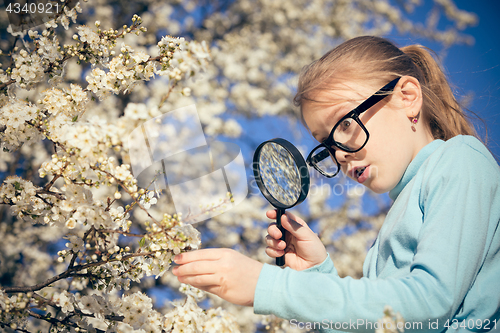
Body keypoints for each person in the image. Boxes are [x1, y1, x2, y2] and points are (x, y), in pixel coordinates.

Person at [172, 36, 500, 332]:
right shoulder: (399, 210)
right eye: (327, 144)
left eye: (345, 123)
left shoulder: (459, 159)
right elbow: (388, 322)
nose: (338, 154)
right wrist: (318, 275)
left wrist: (268, 286)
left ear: (408, 97)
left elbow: (427, 305)